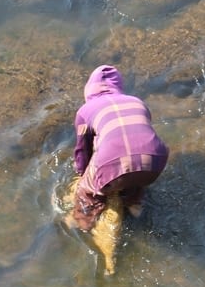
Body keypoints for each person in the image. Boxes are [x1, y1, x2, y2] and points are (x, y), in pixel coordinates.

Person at [71, 65, 169, 231]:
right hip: (156, 160)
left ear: (89, 91)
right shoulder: (137, 102)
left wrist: (83, 175)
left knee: (86, 192)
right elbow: (141, 134)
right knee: (136, 163)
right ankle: (134, 201)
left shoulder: (85, 111)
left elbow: (82, 149)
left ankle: (84, 221)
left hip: (113, 161)